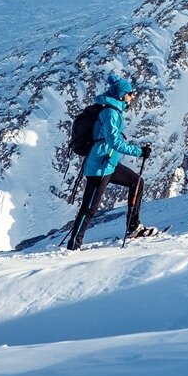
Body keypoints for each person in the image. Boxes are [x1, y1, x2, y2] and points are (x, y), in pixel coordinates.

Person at [66, 73, 153, 249]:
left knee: (137, 182)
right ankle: (74, 244)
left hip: (108, 163)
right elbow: (114, 141)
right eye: (130, 93)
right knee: (89, 208)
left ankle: (133, 226)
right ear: (121, 95)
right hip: (100, 166)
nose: (132, 96)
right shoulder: (110, 113)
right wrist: (139, 151)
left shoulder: (112, 109)